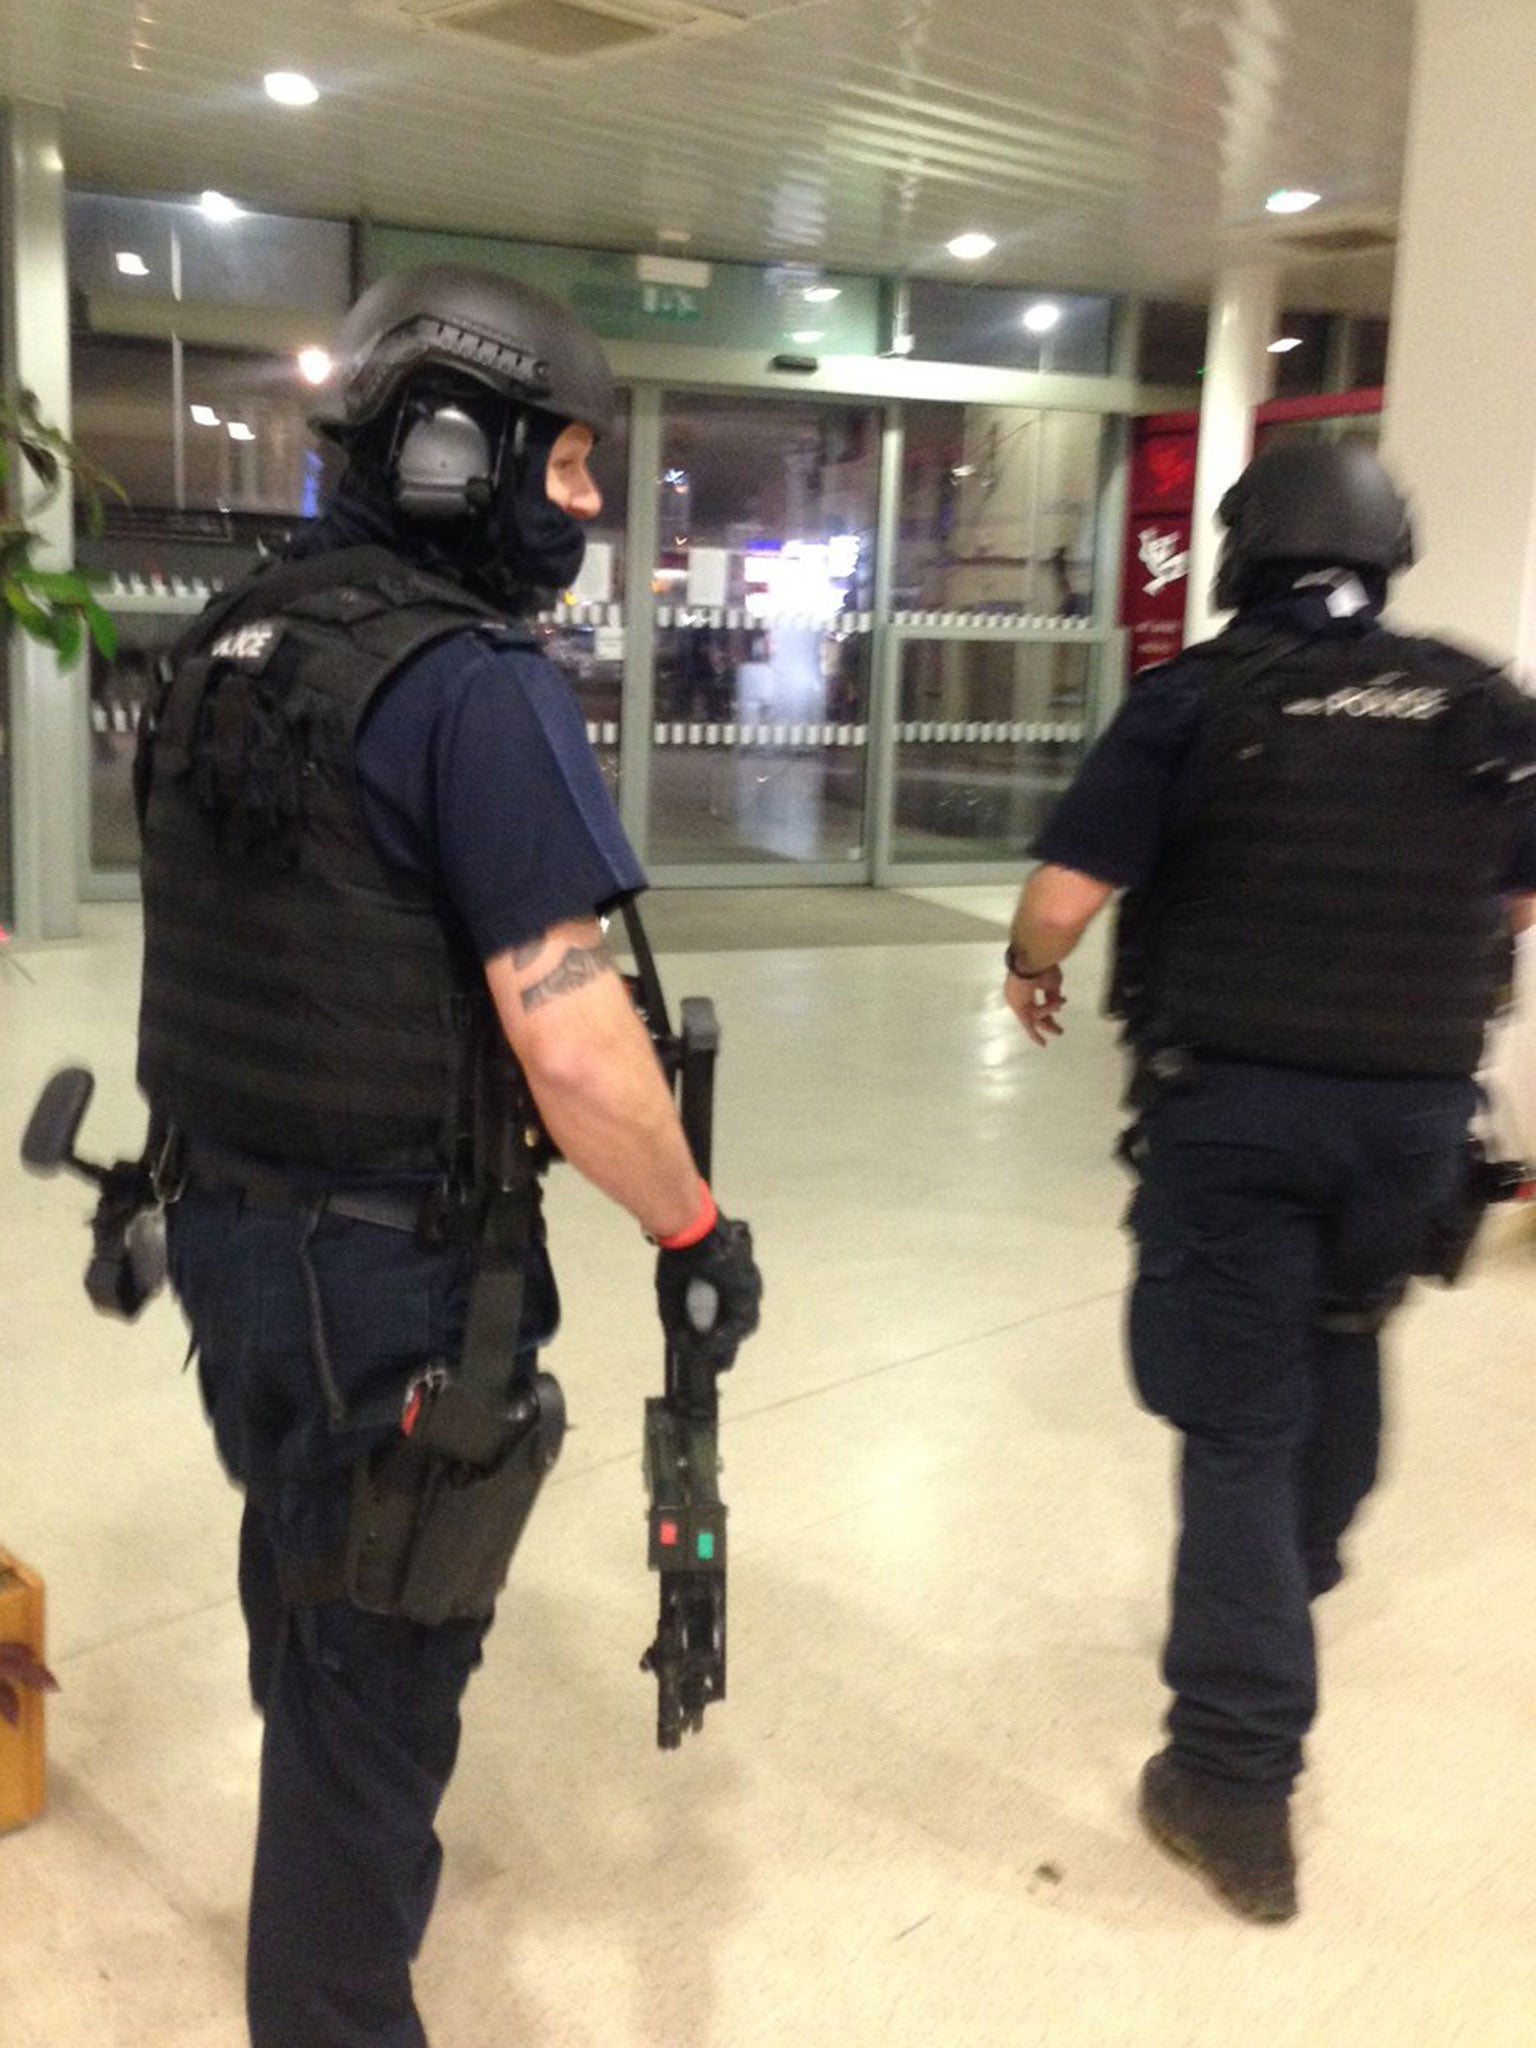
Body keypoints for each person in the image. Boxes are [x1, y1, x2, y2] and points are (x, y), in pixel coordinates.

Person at [133, 263, 763, 2047]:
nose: (577, 506)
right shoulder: (471, 686)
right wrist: (691, 1221)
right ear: (449, 449)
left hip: (236, 1249)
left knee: (312, 1608)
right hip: (389, 1278)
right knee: (379, 1669)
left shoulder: (234, 644)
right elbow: (573, 1041)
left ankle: (327, 1879)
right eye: (562, 467)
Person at [1000, 438, 1536, 1924]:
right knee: (1347, 1337)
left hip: (1232, 1116)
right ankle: (1287, 1583)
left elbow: (1061, 901)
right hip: (1410, 1127)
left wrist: (1027, 969)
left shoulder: (1197, 701)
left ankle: (1231, 1780)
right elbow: (1518, 892)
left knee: (1236, 1429)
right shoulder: (1482, 702)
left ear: (1241, 556)